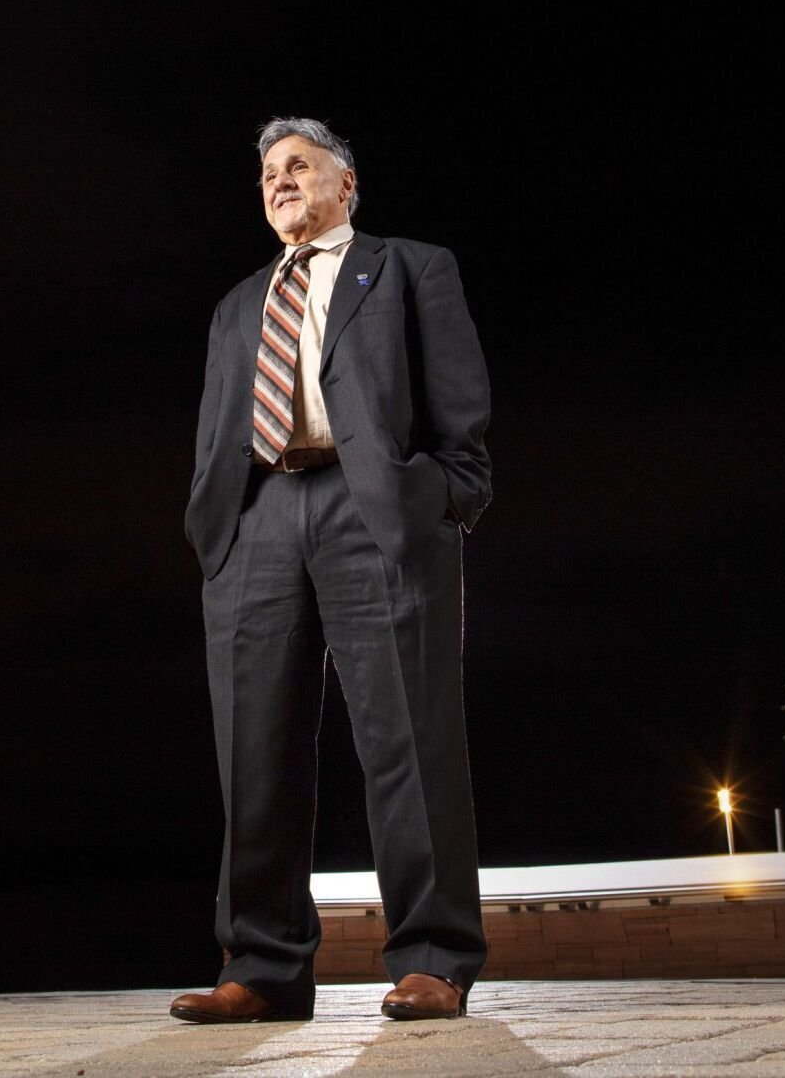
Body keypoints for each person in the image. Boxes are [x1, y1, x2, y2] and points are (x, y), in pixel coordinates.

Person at [174, 117, 492, 1023]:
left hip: (376, 514)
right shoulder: (237, 305)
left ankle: (433, 955)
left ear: (345, 185)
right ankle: (263, 967)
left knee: (407, 740)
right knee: (255, 750)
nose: (279, 181)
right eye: (269, 172)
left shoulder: (407, 268)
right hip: (257, 521)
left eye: (298, 166)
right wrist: (215, 532)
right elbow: (212, 430)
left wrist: (440, 498)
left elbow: (457, 406)